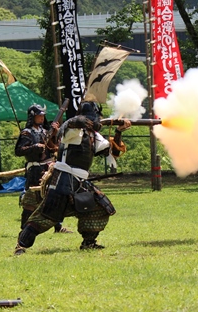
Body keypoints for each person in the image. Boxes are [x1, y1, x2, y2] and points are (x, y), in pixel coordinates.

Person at [14, 100, 130, 254]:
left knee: (100, 207)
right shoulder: (72, 130)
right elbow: (69, 124)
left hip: (80, 181)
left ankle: (89, 242)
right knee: (47, 215)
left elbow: (112, 152)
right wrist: (90, 123)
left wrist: (119, 131)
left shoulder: (92, 135)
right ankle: (21, 245)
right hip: (63, 179)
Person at [15, 104, 71, 233]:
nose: (41, 118)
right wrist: (34, 147)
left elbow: (53, 148)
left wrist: (55, 134)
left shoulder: (45, 131)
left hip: (48, 167)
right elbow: (18, 151)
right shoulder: (26, 133)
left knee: (53, 196)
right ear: (33, 117)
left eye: (42, 116)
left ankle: (58, 226)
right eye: (39, 116)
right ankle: (24, 229)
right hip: (35, 170)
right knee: (31, 199)